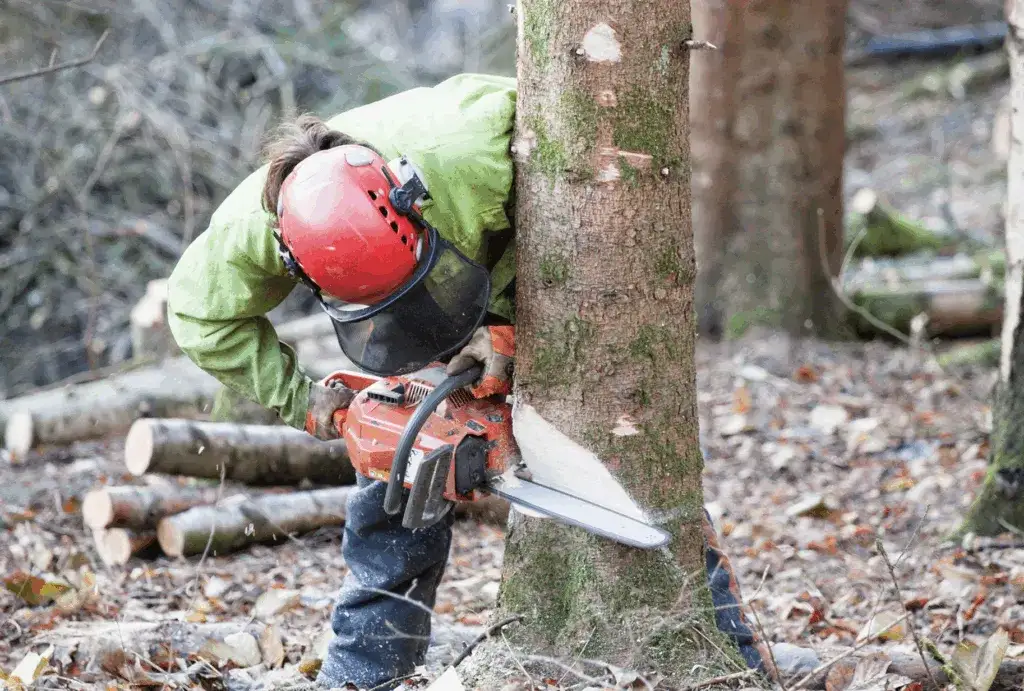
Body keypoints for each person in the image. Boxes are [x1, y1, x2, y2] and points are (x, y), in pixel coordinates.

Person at [167, 73, 773, 690]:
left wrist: (512, 325)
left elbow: (584, 221)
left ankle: (728, 652)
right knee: (395, 471)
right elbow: (200, 317)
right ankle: (363, 674)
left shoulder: (486, 153)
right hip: (397, 301)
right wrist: (306, 402)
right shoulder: (257, 231)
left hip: (515, 260)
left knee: (628, 446)